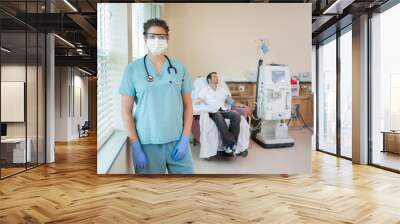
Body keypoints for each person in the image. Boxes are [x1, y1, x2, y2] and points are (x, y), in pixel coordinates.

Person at [119, 18, 194, 174]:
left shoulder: (179, 68)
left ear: (168, 39)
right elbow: (126, 111)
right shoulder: (132, 70)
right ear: (145, 38)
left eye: (161, 37)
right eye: (152, 36)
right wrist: (136, 146)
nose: (157, 41)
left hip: (177, 140)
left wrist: (185, 138)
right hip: (147, 144)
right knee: (151, 194)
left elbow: (188, 106)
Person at [194, 72, 245, 155]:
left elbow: (229, 100)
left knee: (236, 116)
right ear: (209, 79)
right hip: (213, 111)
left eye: (217, 76)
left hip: (224, 110)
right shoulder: (205, 90)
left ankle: (231, 145)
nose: (217, 78)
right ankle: (230, 144)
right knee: (219, 118)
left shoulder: (222, 90)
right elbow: (199, 99)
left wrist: (238, 105)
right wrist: (197, 101)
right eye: (214, 76)